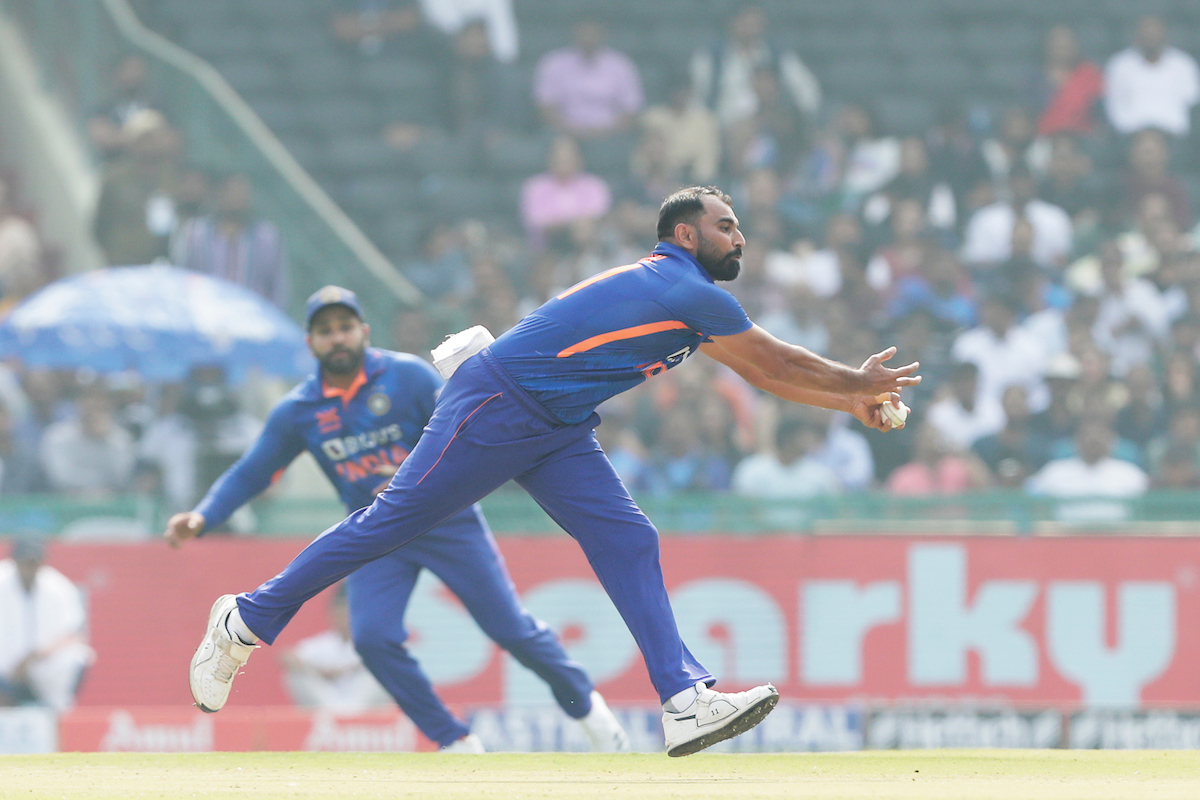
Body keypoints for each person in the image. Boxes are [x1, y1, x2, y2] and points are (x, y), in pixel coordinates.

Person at [186, 187, 920, 757]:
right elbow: (780, 361)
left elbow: (766, 375)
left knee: (627, 537)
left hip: (557, 425)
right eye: (727, 225)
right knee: (389, 525)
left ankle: (684, 700)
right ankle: (244, 619)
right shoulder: (684, 285)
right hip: (497, 402)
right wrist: (854, 384)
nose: (742, 237)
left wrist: (847, 399)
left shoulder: (692, 303)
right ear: (686, 234)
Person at [168, 286, 628, 753]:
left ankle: (588, 709)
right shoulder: (299, 409)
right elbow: (254, 470)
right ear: (310, 343)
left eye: (345, 327)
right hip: (376, 536)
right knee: (371, 639)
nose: (337, 338)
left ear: (364, 331)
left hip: (448, 520)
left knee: (509, 628)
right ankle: (455, 741)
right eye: (325, 332)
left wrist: (412, 475)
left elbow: (466, 427)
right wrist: (204, 515)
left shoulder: (408, 376)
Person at [0, 537, 94, 710]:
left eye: (33, 562)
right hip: (4, 666)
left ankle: (57, 716)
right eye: (24, 562)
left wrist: (34, 657)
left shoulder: (58, 587)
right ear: (14, 561)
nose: (29, 567)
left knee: (75, 656)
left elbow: (74, 634)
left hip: (42, 666)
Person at [279, 581, 392, 713]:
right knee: (295, 674)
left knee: (381, 669)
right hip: (324, 703)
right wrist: (320, 672)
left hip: (364, 705)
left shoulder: (370, 641)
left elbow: (389, 654)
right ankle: (338, 716)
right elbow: (286, 656)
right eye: (339, 612)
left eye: (347, 612)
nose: (343, 618)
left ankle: (349, 715)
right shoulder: (321, 644)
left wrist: (346, 670)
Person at [1104, 14, 1200, 138]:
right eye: (1146, 32)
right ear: (1137, 35)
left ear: (1165, 34)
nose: (1150, 36)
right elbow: (1114, 105)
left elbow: (1192, 104)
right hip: (1130, 136)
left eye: (1154, 32)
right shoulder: (1119, 65)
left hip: (1175, 136)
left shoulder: (1184, 64)